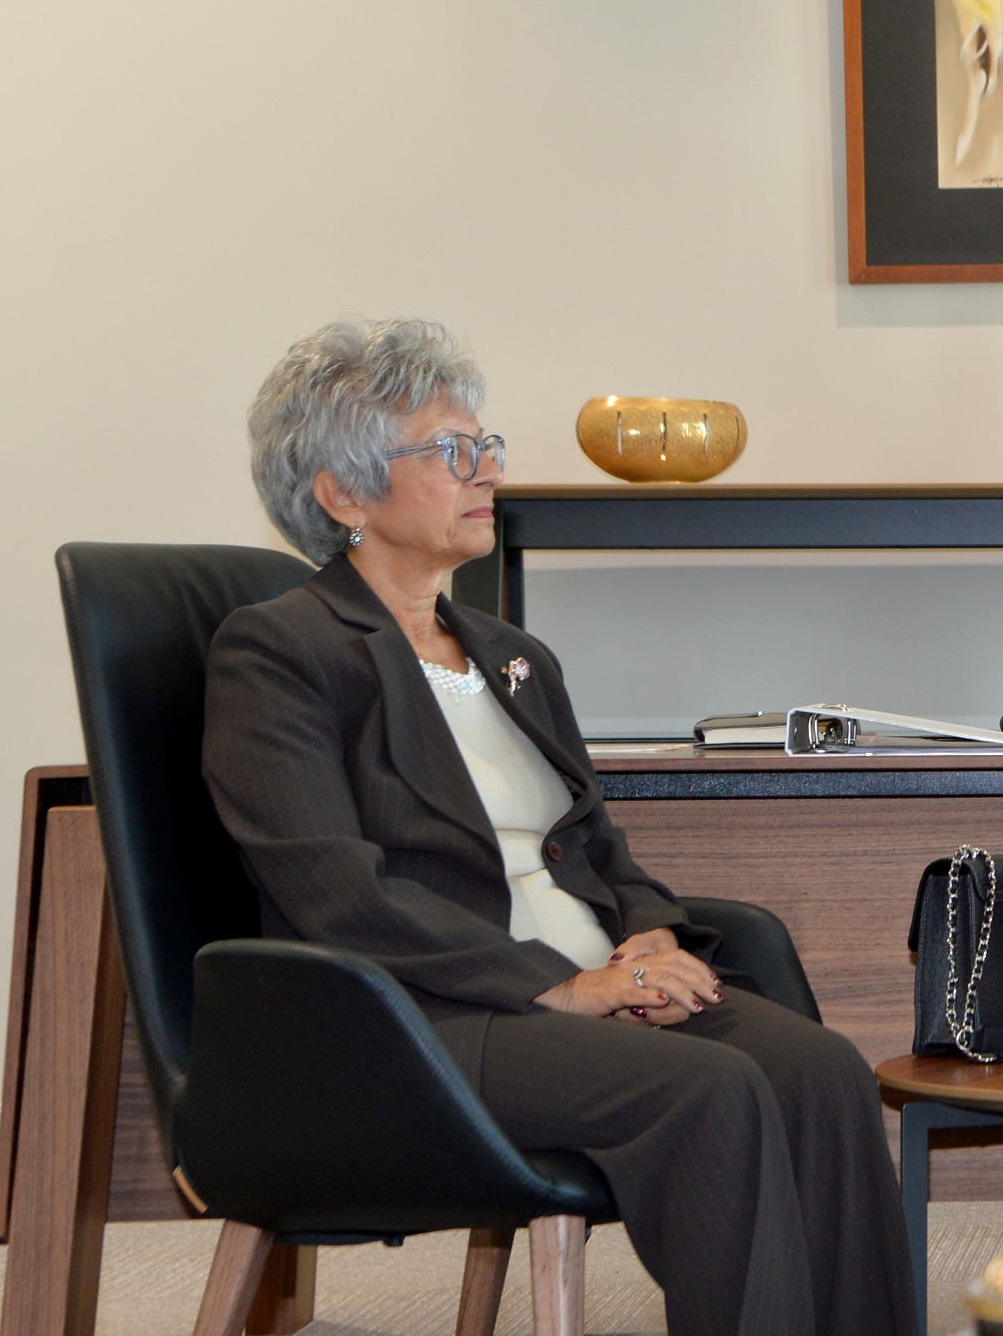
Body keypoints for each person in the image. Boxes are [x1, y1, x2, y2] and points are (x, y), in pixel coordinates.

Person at [202, 319, 916, 1336]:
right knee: (711, 1091)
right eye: (452, 451)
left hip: (588, 987)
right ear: (343, 494)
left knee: (822, 1072)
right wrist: (562, 985)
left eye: (485, 445)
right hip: (428, 1018)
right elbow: (337, 893)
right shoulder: (278, 650)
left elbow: (594, 847)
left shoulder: (510, 653)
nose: (488, 471)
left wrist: (647, 935)